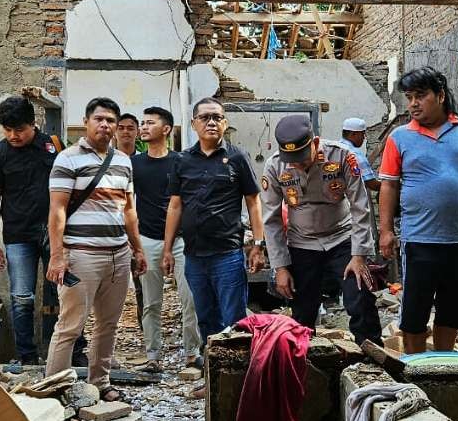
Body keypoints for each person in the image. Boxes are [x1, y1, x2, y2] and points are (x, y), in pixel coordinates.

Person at [377, 67, 458, 354]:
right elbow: (389, 186)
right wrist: (386, 231)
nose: (413, 104)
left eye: (420, 96)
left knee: (453, 312)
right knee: (414, 313)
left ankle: (444, 364)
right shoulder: (400, 137)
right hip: (419, 240)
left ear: (441, 95)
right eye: (409, 97)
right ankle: (415, 368)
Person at [45, 97, 147, 396]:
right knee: (70, 326)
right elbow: (57, 211)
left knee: (108, 325)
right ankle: (55, 391)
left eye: (110, 121)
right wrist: (57, 256)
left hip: (117, 255)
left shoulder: (123, 161)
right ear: (86, 122)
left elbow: (128, 211)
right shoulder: (68, 159)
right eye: (99, 119)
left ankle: (100, 383)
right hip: (81, 255)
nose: (105, 125)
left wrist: (137, 249)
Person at [261, 115, 382, 346]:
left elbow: (360, 206)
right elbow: (272, 220)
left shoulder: (342, 156)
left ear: (314, 142)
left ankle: (371, 355)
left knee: (359, 295)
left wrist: (359, 256)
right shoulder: (275, 166)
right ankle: (304, 359)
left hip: (342, 238)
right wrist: (280, 267)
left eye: (301, 157)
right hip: (302, 243)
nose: (297, 164)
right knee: (303, 308)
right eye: (292, 160)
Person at [162, 97, 267, 342]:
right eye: (204, 117)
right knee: (206, 316)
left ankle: (239, 370)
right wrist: (167, 249)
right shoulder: (182, 160)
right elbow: (175, 206)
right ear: (193, 123)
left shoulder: (238, 158)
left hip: (227, 254)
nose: (211, 122)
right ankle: (213, 369)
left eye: (217, 117)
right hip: (194, 256)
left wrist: (258, 246)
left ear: (225, 123)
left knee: (235, 319)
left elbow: (253, 202)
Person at [0, 95, 77, 365]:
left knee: (65, 293)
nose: (14, 136)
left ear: (33, 124)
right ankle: (27, 357)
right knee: (22, 297)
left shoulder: (53, 147)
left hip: (54, 235)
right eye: (8, 130)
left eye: (20, 130)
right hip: (17, 236)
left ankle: (71, 352)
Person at [132, 106, 201, 372]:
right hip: (148, 239)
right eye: (143, 122)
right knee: (150, 302)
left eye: (150, 122)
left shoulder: (181, 161)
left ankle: (191, 354)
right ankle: (152, 356)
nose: (144, 127)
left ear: (167, 129)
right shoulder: (135, 164)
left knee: (190, 299)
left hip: (183, 241)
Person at [115, 112, 145, 329]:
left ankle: (145, 329)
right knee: (110, 286)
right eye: (122, 127)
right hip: (112, 231)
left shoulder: (143, 162)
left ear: (138, 132)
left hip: (140, 230)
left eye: (130, 128)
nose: (126, 132)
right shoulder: (107, 160)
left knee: (142, 283)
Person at [338, 117, 380, 193]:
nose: (364, 138)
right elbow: (372, 184)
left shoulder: (336, 148)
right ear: (353, 134)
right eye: (362, 134)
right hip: (353, 200)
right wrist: (391, 185)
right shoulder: (354, 154)